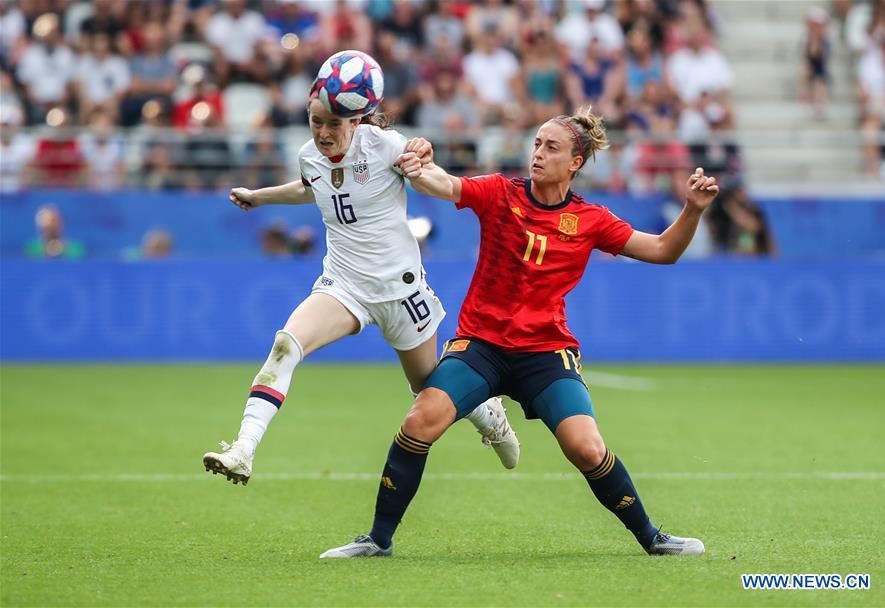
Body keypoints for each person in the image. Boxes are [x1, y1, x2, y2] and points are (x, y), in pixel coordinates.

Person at [321, 106, 717, 558]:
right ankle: (377, 540)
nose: (538, 153)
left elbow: (664, 250)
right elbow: (442, 183)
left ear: (575, 163)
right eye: (536, 144)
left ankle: (652, 538)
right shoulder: (498, 192)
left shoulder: (592, 220)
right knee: (418, 424)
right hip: (481, 347)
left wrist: (692, 209)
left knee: (586, 449)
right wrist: (415, 161)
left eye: (551, 147)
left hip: (545, 354)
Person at [202, 83, 520, 486]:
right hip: (344, 286)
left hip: (400, 291)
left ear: (354, 120)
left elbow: (427, 173)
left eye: (332, 123)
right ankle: (243, 449)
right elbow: (308, 187)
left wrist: (424, 154)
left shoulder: (386, 145)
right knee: (286, 345)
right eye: (316, 122)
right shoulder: (308, 155)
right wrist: (258, 197)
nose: (322, 132)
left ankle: (487, 415)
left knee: (427, 386)